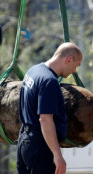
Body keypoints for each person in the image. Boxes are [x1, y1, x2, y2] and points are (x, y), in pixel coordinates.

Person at [17, 42, 82, 174]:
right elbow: (45, 120)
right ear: (69, 59)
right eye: (76, 66)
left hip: (24, 140)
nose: (74, 71)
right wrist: (57, 155)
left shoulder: (34, 70)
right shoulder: (49, 81)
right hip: (40, 146)